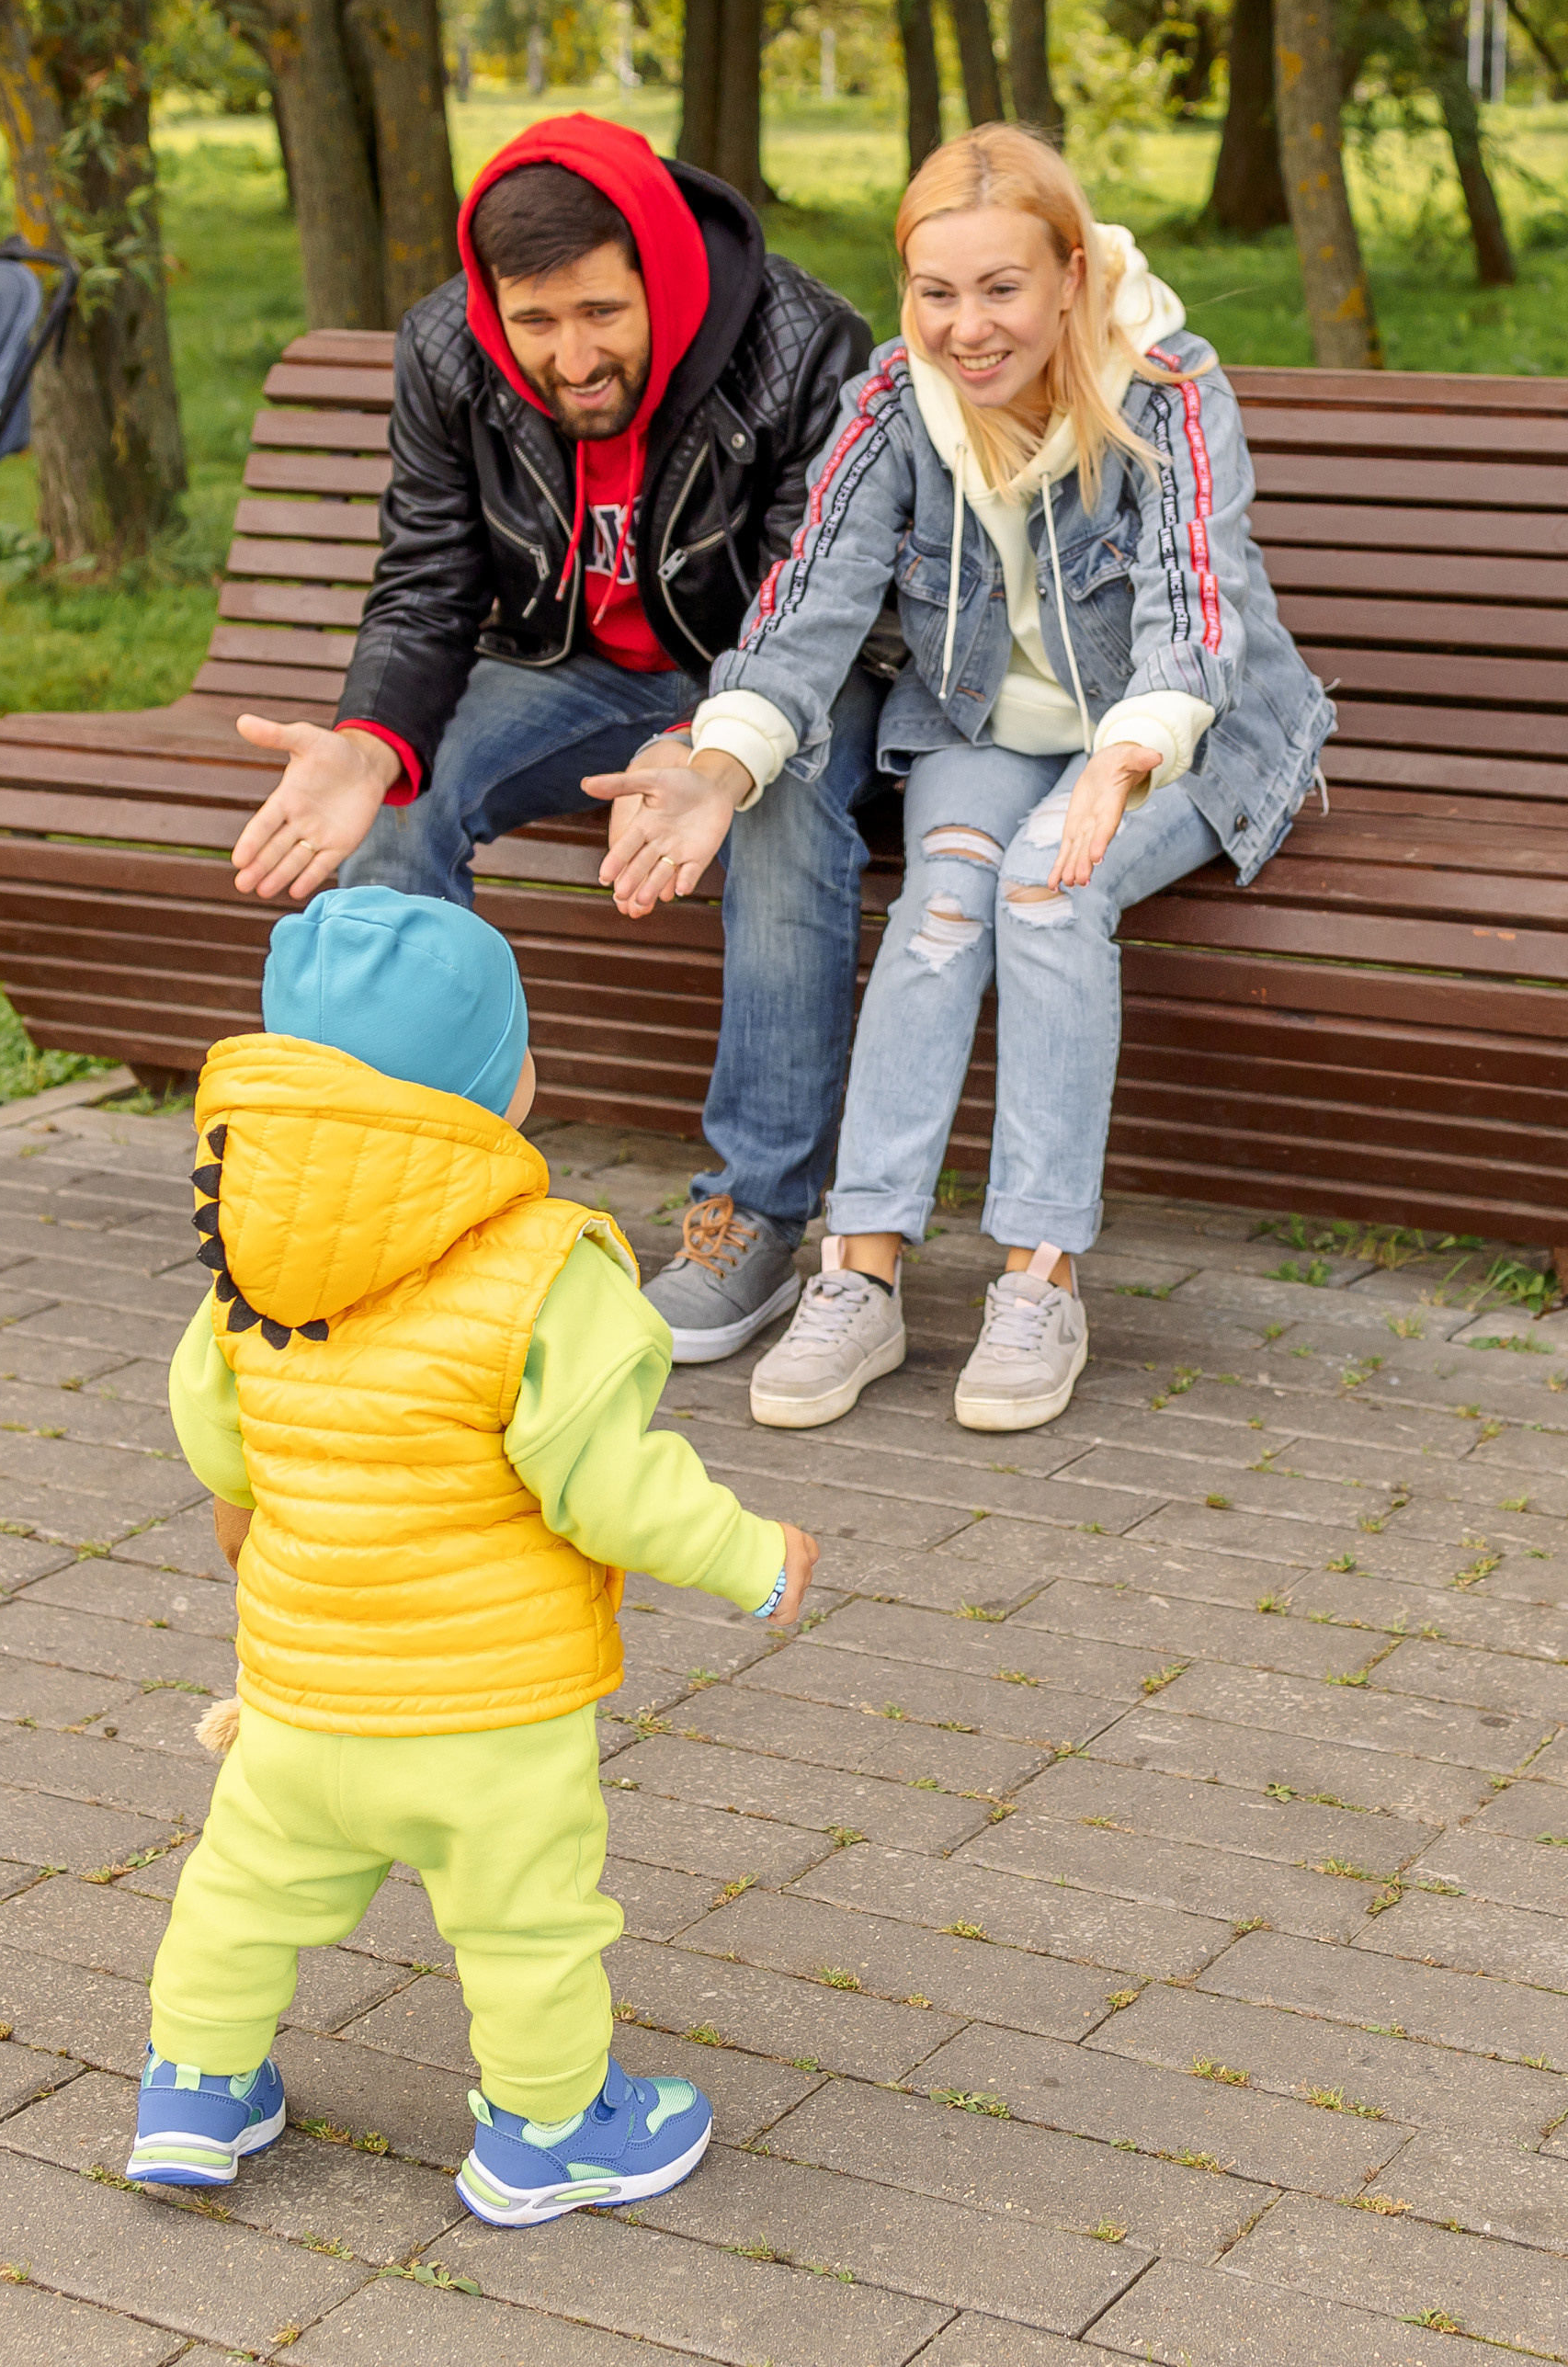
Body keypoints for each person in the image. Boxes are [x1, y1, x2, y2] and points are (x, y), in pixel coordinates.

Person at [594, 124, 1335, 1436]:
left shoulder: (1167, 383)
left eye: (1000, 289)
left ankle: (1039, 1278)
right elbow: (805, 605)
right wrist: (719, 766)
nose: (967, 327)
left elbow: (1196, 613)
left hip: (1179, 728)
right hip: (986, 724)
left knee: (1049, 891)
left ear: (1068, 277)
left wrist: (1124, 758)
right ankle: (859, 1276)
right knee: (941, 911)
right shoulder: (893, 403)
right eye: (937, 292)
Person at [126, 887, 820, 2226]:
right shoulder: (548, 1271)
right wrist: (750, 1557)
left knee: (240, 1891)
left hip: (297, 1696)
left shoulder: (248, 1252)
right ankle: (550, 2131)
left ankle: (195, 2089)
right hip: (486, 1715)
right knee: (526, 1926)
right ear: (506, 1089)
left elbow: (217, 1431)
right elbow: (607, 1486)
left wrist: (250, 1506)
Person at [223, 113, 881, 1367]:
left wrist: (709, 745)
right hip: (573, 669)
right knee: (400, 798)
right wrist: (369, 743)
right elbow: (426, 579)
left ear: (659, 275)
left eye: (599, 314)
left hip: (780, 677)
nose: (571, 359)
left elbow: (818, 602)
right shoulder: (450, 351)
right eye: (536, 324)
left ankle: (752, 1217)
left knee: (780, 813)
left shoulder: (803, 345)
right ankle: (411, 1194)